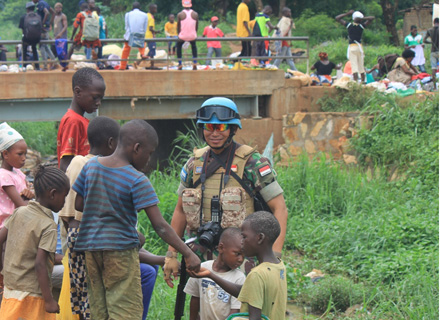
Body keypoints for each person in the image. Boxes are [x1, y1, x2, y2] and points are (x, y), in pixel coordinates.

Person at [72, 119, 201, 319]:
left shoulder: (91, 167)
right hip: (120, 254)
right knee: (125, 311)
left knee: (100, 309)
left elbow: (79, 204)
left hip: (91, 250)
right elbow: (160, 226)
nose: (149, 160)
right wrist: (187, 253)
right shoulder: (136, 179)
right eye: (149, 153)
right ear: (137, 148)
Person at [164, 97, 289, 285]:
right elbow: (180, 210)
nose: (214, 133)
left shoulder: (252, 163)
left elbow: (279, 209)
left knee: (242, 310)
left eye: (221, 127)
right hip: (200, 253)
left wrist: (275, 257)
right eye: (209, 127)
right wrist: (171, 254)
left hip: (241, 256)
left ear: (233, 129)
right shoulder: (194, 163)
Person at [59, 116, 120, 320]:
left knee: (85, 299)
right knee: (89, 298)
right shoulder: (89, 165)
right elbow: (72, 211)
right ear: (112, 143)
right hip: (85, 238)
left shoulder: (82, 163)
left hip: (78, 236)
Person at [0, 165, 70, 320]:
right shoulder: (48, 226)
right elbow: (40, 264)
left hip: (11, 291)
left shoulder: (20, 212)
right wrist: (49, 300)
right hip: (33, 297)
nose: (65, 201)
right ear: (53, 194)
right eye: (65, 196)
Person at [191, 211, 287, 320]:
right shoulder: (279, 267)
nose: (242, 242)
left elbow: (254, 318)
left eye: (244, 236)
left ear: (259, 238)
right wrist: (211, 275)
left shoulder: (257, 274)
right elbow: (247, 291)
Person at [184, 227, 246, 320]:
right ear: (221, 248)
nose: (241, 259)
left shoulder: (239, 278)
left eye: (243, 254)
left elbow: (235, 312)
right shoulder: (203, 268)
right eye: (237, 253)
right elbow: (195, 298)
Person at [57, 68, 105, 172]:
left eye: (101, 99)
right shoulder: (73, 121)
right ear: (78, 92)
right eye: (95, 97)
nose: (98, 103)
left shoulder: (80, 120)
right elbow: (65, 165)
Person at [0, 122, 34, 232]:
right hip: (10, 226)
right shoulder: (3, 175)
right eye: (20, 154)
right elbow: (20, 203)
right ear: (5, 154)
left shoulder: (17, 172)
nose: (24, 158)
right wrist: (29, 197)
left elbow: (27, 191)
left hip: (21, 222)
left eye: (25, 154)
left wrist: (29, 194)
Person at [335, 9, 375, 83]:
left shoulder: (349, 25)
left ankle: (355, 82)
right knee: (361, 66)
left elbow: (337, 18)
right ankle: (363, 82)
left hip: (352, 47)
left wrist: (347, 13)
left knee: (354, 66)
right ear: (360, 19)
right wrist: (362, 18)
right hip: (359, 47)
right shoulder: (361, 26)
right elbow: (372, 18)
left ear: (353, 18)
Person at [120, 2, 149, 70]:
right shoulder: (145, 15)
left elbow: (126, 26)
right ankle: (142, 54)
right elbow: (145, 28)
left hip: (130, 35)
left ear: (132, 8)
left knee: (126, 50)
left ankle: (122, 66)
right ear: (140, 8)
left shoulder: (128, 14)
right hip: (140, 35)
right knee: (142, 43)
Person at [34, 0, 57, 70]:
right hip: (45, 28)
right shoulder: (45, 3)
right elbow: (53, 12)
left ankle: (45, 65)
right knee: (45, 46)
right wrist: (49, 23)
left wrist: (42, 24)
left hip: (42, 29)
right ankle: (54, 61)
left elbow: (47, 13)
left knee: (42, 47)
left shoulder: (40, 3)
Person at [272, 7, 298, 71]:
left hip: (286, 41)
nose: (290, 13)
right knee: (280, 57)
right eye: (289, 12)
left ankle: (296, 71)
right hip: (283, 42)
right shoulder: (284, 20)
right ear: (285, 13)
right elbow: (283, 31)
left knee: (289, 59)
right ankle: (273, 69)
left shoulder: (286, 20)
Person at [177, 0, 199, 70]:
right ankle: (195, 62)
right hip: (192, 35)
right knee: (194, 46)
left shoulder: (180, 14)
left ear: (183, 4)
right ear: (190, 4)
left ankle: (180, 64)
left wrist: (179, 34)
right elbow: (196, 26)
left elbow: (178, 26)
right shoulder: (195, 14)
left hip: (183, 36)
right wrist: (194, 33)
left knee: (178, 46)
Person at [19, 2, 41, 70]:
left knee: (24, 50)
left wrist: (26, 35)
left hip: (27, 38)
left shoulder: (24, 17)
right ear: (34, 8)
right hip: (36, 38)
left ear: (27, 9)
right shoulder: (38, 16)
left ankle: (24, 66)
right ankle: (37, 66)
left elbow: (22, 28)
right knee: (34, 49)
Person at [52, 3, 69, 71]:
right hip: (56, 38)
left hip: (62, 38)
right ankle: (54, 64)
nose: (57, 9)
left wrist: (60, 34)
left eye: (59, 8)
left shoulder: (63, 16)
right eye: (56, 8)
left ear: (61, 9)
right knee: (53, 51)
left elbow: (65, 26)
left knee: (62, 53)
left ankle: (65, 66)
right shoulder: (55, 17)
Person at [145, 4, 160, 70]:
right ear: (151, 9)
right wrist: (156, 31)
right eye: (154, 9)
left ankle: (138, 62)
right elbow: (150, 28)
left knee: (151, 50)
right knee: (152, 50)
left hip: (146, 35)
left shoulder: (146, 15)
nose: (156, 10)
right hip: (150, 36)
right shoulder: (151, 17)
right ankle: (152, 65)